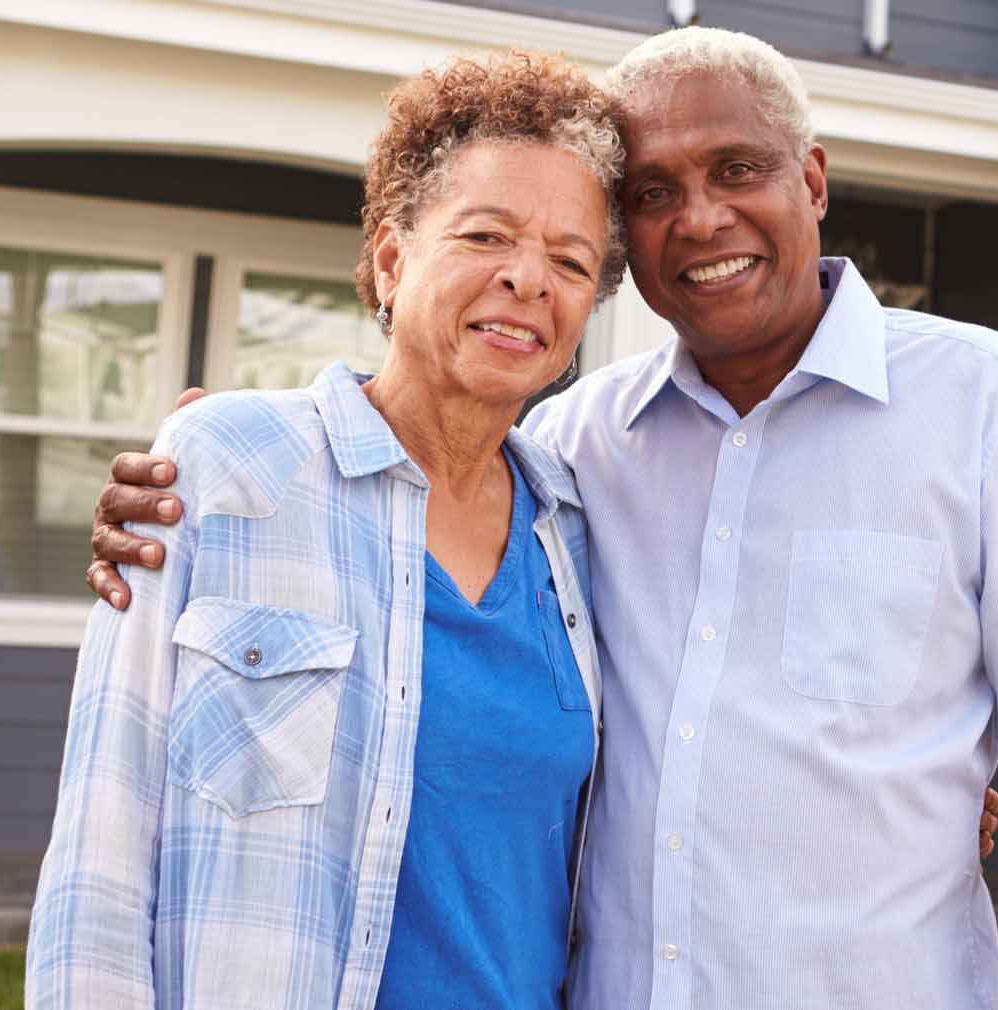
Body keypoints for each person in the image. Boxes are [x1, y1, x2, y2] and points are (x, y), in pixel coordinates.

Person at [87, 27, 998, 1010]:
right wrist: (213, 454)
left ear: (811, 178)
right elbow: (400, 460)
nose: (701, 216)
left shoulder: (992, 405)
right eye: (653, 193)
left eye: (738, 169)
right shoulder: (577, 451)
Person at [31, 51, 624, 1010]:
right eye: (486, 236)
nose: (528, 280)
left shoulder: (582, 528)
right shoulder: (227, 466)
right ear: (392, 262)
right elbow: (101, 845)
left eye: (570, 261)